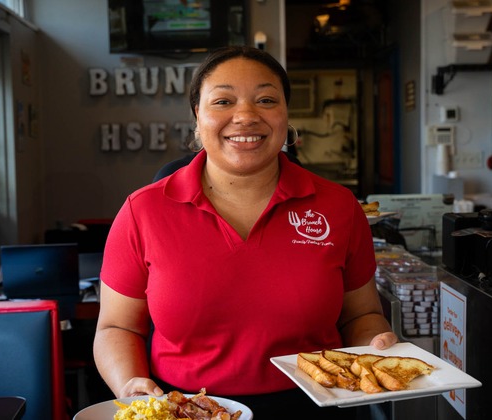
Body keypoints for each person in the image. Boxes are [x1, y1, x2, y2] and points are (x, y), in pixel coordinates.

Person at [94, 45, 398, 418]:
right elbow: (115, 327)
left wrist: (375, 345)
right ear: (197, 117)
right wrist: (130, 386)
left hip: (314, 408)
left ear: (286, 115)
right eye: (223, 101)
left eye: (266, 99)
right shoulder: (143, 211)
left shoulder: (338, 206)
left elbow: (360, 315)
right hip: (186, 411)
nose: (246, 116)